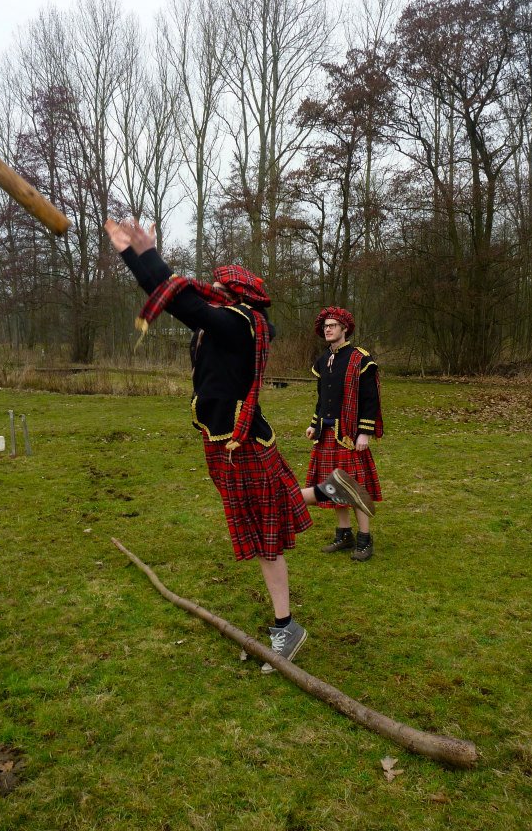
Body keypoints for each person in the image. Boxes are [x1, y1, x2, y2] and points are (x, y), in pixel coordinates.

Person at [105, 218, 326, 673]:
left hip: (242, 443)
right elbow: (176, 295)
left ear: (238, 295)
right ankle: (327, 491)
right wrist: (138, 255)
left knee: (266, 537)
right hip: (225, 441)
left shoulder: (239, 325)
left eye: (221, 287)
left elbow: (182, 302)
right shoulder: (223, 323)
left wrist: (140, 256)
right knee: (258, 516)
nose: (213, 290)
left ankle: (287, 628)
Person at [301, 307, 383, 561]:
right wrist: (315, 424)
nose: (328, 329)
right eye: (326, 326)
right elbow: (321, 399)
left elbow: (371, 400)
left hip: (349, 434)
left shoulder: (360, 359)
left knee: (355, 488)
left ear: (344, 328)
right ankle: (344, 534)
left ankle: (364, 539)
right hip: (327, 434)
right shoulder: (323, 360)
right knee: (333, 487)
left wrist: (364, 433)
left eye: (333, 325)